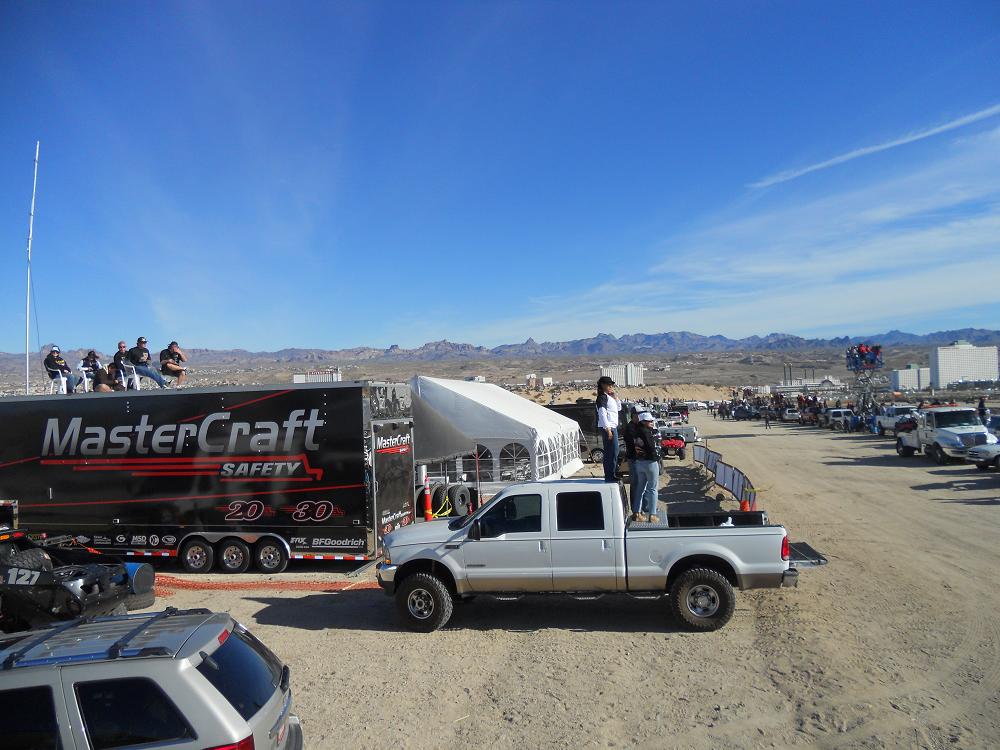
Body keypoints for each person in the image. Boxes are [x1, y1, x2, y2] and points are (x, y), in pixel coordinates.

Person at [633, 412, 661, 523]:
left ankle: (637, 513)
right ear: (644, 422)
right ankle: (652, 515)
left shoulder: (635, 431)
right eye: (649, 421)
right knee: (653, 489)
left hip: (639, 462)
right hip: (649, 462)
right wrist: (657, 457)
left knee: (640, 488)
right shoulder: (646, 432)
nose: (652, 422)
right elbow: (651, 447)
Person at [596, 376, 620, 482]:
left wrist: (616, 398)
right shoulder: (602, 397)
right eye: (609, 385)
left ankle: (612, 473)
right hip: (609, 427)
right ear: (603, 385)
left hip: (613, 426)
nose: (611, 387)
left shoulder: (608, 397)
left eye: (611, 385)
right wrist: (608, 429)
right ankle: (610, 475)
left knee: (614, 451)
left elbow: (618, 408)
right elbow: (602, 413)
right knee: (611, 451)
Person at [621, 406, 641, 512]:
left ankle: (642, 507)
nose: (640, 417)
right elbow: (634, 442)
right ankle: (635, 509)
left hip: (639, 459)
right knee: (635, 484)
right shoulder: (630, 427)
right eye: (638, 415)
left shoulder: (638, 426)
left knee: (642, 484)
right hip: (633, 459)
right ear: (634, 415)